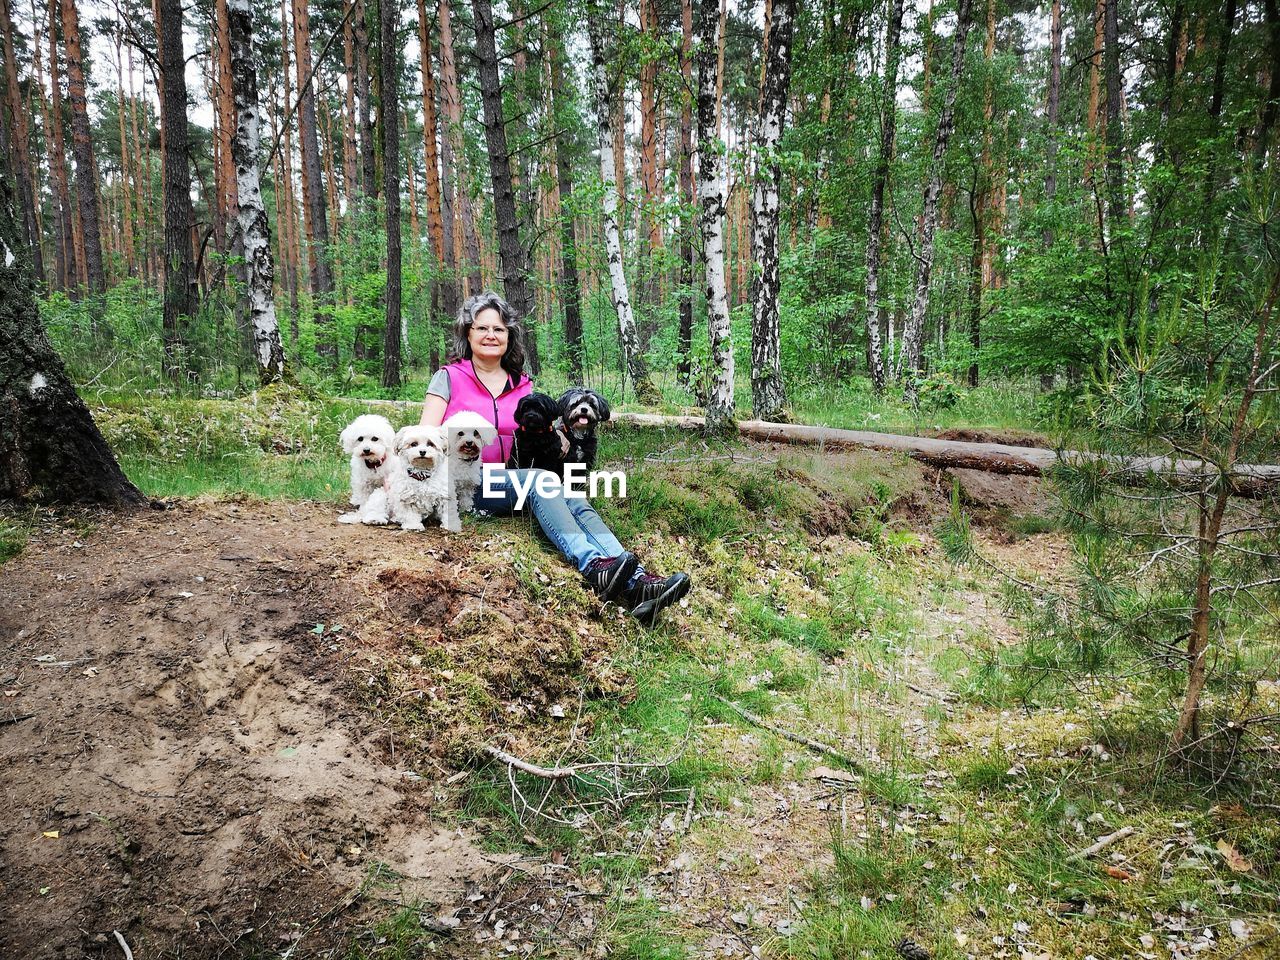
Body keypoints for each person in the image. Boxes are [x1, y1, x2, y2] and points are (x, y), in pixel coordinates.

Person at [421, 291, 692, 627]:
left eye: (499, 329)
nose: (491, 335)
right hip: (469, 484)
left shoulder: (522, 385)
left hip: (516, 481)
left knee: (573, 497)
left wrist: (560, 433)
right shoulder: (449, 377)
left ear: (509, 336)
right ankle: (593, 566)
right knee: (542, 481)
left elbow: (544, 425)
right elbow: (425, 438)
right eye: (482, 328)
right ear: (468, 333)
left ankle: (636, 583)